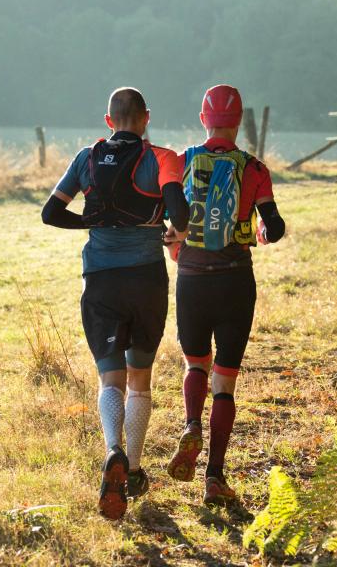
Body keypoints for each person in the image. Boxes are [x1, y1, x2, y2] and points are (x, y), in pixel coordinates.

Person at [41, 87, 189, 520]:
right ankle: (136, 469)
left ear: (109, 121)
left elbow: (51, 213)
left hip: (100, 280)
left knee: (111, 378)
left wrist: (89, 221)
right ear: (145, 119)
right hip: (146, 278)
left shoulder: (87, 157)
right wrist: (175, 233)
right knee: (140, 377)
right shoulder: (163, 157)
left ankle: (113, 451)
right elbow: (178, 213)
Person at [164, 84, 286, 505]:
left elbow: (166, 218)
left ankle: (192, 425)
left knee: (196, 362)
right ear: (238, 122)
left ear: (204, 119)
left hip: (193, 278)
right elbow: (274, 225)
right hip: (236, 281)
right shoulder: (254, 168)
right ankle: (215, 476)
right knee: (226, 381)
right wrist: (264, 231)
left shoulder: (182, 162)